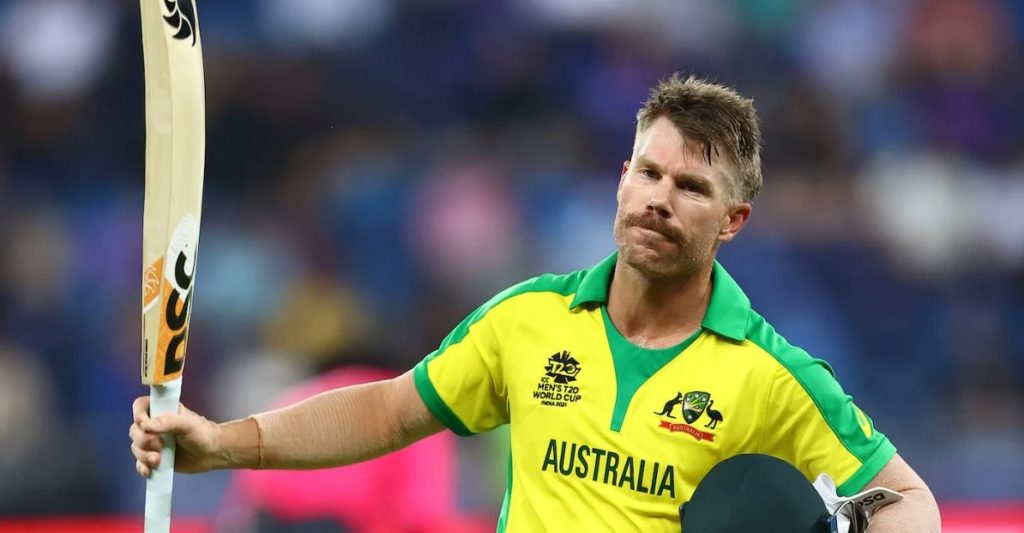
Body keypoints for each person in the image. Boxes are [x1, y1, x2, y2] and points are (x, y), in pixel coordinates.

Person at [129, 74, 941, 532]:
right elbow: (387, 410)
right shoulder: (529, 317)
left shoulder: (772, 373)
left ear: (734, 220)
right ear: (622, 179)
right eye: (648, 173)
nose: (659, 199)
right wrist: (221, 443)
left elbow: (914, 505)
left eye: (692, 188)